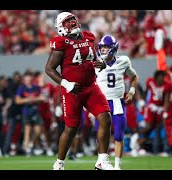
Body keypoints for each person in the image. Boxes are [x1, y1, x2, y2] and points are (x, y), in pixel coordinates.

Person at [45, 12, 114, 170]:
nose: (72, 22)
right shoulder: (61, 42)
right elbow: (49, 69)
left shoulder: (88, 37)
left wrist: (100, 63)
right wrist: (67, 84)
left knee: (105, 117)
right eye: (68, 21)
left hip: (91, 86)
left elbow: (93, 58)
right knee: (71, 128)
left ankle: (102, 160)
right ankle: (59, 163)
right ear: (61, 27)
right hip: (72, 91)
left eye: (72, 19)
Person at [94, 35, 139, 170]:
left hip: (117, 102)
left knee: (119, 134)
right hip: (101, 104)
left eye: (105, 47)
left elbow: (134, 76)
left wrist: (131, 91)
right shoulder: (95, 63)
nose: (102, 50)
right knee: (101, 135)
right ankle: (101, 161)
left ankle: (117, 166)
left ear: (113, 49)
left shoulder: (123, 61)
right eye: (101, 47)